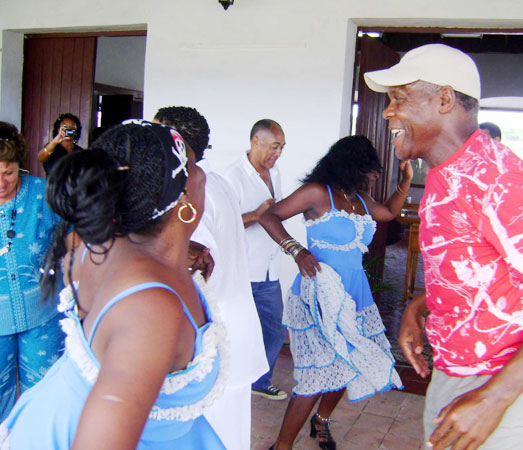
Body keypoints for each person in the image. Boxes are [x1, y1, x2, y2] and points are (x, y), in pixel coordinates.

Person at [364, 43, 523, 450]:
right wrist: (423, 305)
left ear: (444, 99)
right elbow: (478, 268)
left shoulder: (505, 180)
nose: (388, 112)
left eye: (399, 99)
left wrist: (496, 398)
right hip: (461, 371)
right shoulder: (444, 173)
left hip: (509, 383)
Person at [0, 120, 228, 449]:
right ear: (185, 202)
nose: (201, 172)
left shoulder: (96, 249)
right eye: (192, 164)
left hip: (52, 415)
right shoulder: (148, 308)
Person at [259, 135, 411, 450]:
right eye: (369, 169)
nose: (373, 176)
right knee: (316, 374)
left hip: (355, 293)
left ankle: (322, 420)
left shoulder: (361, 200)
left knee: (347, 363)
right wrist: (297, 250)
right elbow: (268, 217)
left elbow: (387, 213)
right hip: (319, 293)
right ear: (350, 164)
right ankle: (281, 446)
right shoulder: (317, 193)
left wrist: (406, 181)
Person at [154, 106, 268, 450]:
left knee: (216, 436)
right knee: (228, 433)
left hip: (215, 338)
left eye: (157, 136)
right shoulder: (212, 179)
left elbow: (195, 263)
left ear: (178, 146)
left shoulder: (191, 192)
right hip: (231, 328)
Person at [0, 121, 65, 422]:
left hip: (42, 315)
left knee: (43, 395)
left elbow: (78, 236)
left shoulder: (43, 194)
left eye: (8, 172)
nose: (2, 183)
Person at [222, 119, 287, 401]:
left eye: (282, 148)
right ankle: (231, 383)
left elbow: (274, 214)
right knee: (239, 331)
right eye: (274, 147)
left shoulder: (275, 173)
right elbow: (224, 225)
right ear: (255, 142)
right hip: (244, 270)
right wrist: (258, 214)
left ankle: (260, 381)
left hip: (270, 269)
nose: (278, 154)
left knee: (274, 329)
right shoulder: (231, 176)